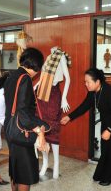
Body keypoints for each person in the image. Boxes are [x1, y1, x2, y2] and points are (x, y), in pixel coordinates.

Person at [61, 68, 111, 186]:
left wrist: (110, 130)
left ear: (98, 82)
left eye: (88, 82)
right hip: (108, 119)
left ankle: (110, 177)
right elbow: (84, 106)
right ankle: (102, 173)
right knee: (105, 147)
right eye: (85, 82)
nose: (86, 84)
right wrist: (69, 117)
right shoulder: (93, 93)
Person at [3, 47, 49, 191]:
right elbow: (23, 112)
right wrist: (39, 132)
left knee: (16, 169)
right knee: (25, 174)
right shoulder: (25, 79)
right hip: (22, 130)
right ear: (36, 65)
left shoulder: (12, 76)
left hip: (11, 128)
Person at [36, 46, 71, 179]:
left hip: (54, 96)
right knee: (42, 129)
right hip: (42, 95)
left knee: (54, 130)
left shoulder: (59, 55)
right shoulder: (49, 57)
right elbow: (43, 78)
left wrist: (64, 98)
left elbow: (68, 79)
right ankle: (45, 163)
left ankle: (56, 164)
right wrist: (34, 87)